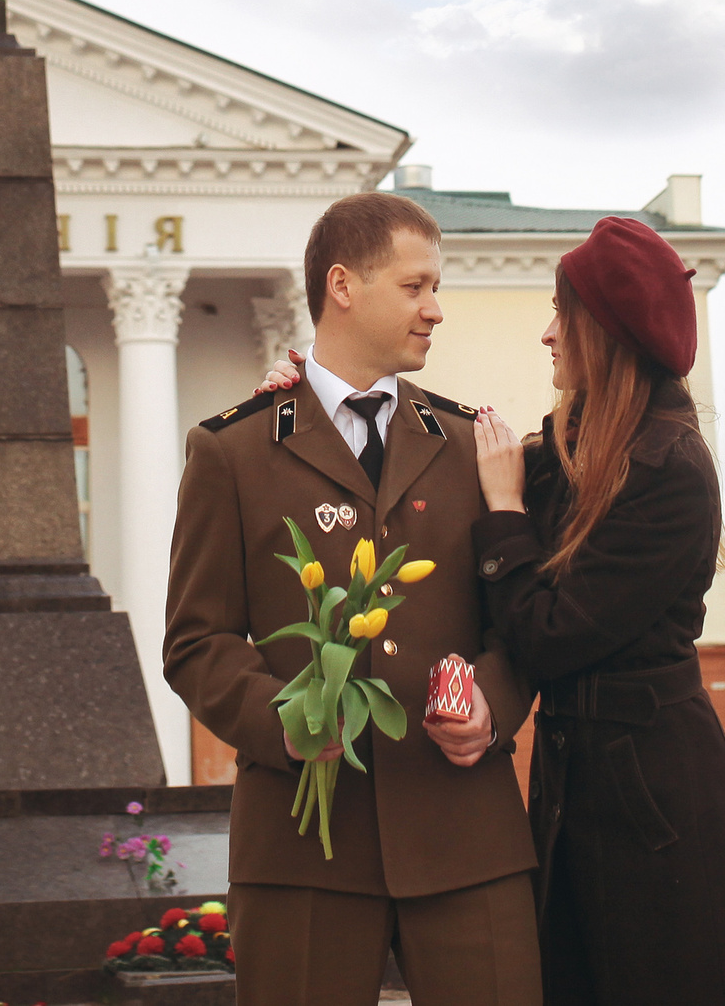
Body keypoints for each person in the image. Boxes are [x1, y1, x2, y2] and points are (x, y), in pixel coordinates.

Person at [166, 192, 542, 1006]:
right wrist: (282, 719)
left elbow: (520, 620)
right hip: (304, 851)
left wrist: (495, 705)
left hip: (465, 839)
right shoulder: (232, 449)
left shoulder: (474, 446)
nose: (435, 310)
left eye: (435, 288)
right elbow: (196, 638)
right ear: (343, 284)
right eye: (415, 287)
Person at [468, 216, 725, 1005]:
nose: (546, 335)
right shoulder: (575, 444)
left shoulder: (669, 468)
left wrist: (503, 510)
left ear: (602, 331)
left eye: (561, 316)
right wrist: (303, 396)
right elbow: (445, 464)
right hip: (582, 783)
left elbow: (548, 634)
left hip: (655, 802)